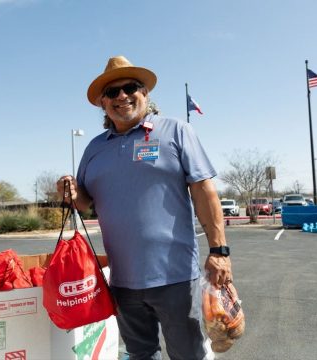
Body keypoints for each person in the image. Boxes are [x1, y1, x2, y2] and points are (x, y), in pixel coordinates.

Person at [57, 56, 232, 360]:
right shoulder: (95, 148)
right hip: (123, 281)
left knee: (188, 354)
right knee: (140, 354)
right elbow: (84, 202)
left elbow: (204, 191)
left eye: (130, 87)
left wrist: (219, 252)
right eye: (112, 92)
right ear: (103, 103)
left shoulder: (176, 131)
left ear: (145, 94)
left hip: (176, 277)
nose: (122, 96)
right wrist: (70, 191)